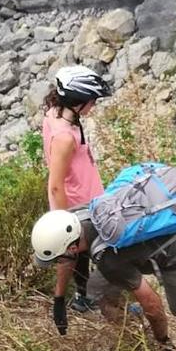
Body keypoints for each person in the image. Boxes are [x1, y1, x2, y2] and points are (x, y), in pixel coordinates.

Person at [31, 206, 176, 351]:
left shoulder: (109, 261)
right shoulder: (78, 216)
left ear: (73, 248)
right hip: (136, 249)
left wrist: (164, 346)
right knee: (100, 291)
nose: (59, 262)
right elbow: (68, 259)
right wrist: (59, 299)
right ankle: (132, 329)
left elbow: (153, 305)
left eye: (58, 257)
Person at [40, 65, 113, 333]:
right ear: (77, 100)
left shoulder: (56, 113)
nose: (93, 105)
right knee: (75, 253)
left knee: (79, 255)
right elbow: (56, 184)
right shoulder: (64, 137)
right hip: (77, 204)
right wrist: (63, 222)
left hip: (87, 197)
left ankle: (82, 297)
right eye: (92, 100)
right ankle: (62, 302)